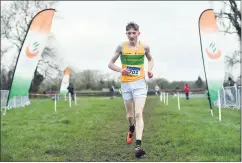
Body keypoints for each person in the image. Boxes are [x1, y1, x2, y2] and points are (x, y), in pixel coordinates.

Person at [108, 22, 154, 157]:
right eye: (129, 33)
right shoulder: (121, 46)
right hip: (126, 84)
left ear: (138, 33)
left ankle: (138, 147)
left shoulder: (145, 47)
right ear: (126, 34)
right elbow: (110, 64)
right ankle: (131, 127)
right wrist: (121, 70)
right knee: (130, 116)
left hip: (140, 84)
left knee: (139, 114)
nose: (131, 35)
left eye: (134, 33)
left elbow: (150, 59)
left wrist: (150, 70)